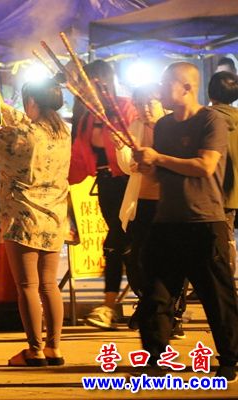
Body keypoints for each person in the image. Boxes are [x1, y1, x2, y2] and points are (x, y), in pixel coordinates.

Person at [134, 62, 238, 382]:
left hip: (204, 220)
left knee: (217, 297)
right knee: (156, 293)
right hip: (167, 220)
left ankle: (230, 359)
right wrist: (147, 166)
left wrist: (158, 158)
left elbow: (205, 166)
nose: (160, 91)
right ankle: (154, 357)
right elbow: (161, 174)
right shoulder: (164, 125)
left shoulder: (211, 120)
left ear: (187, 88)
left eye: (166, 84)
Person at [0, 79, 70, 367]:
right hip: (54, 217)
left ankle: (34, 350)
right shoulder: (63, 133)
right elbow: (21, 121)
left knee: (27, 286)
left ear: (32, 102)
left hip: (23, 217)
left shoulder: (24, 136)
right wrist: (0, 104)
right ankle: (54, 348)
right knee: (49, 285)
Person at [68, 60, 138, 330]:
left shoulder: (125, 108)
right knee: (119, 246)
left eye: (87, 83)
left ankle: (114, 307)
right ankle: (137, 304)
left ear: (102, 82)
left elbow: (136, 147)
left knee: (120, 244)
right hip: (106, 188)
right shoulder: (87, 118)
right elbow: (78, 161)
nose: (83, 89)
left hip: (129, 185)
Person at [115, 84, 187, 339]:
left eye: (150, 103)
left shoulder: (174, 127)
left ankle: (172, 313)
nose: (144, 109)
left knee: (174, 260)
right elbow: (128, 167)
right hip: (142, 201)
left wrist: (153, 161)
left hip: (170, 203)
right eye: (140, 104)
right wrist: (121, 149)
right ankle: (149, 305)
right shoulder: (134, 128)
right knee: (138, 258)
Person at [208, 71, 238, 277]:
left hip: (211, 190)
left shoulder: (206, 118)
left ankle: (223, 284)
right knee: (226, 237)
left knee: (217, 240)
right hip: (233, 192)